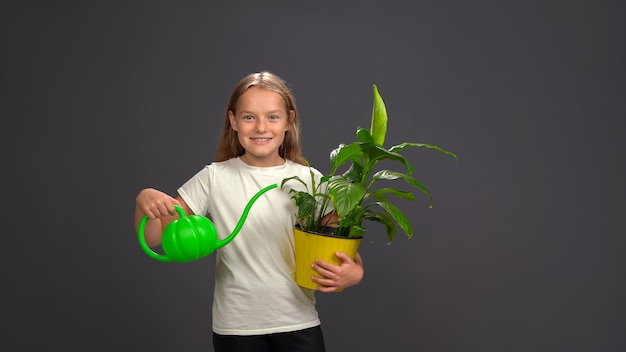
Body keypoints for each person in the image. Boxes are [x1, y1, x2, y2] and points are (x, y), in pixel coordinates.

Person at [134, 71, 364, 352]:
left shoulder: (311, 180)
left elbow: (338, 246)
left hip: (298, 321)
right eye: (249, 117)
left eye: (273, 116)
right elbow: (154, 236)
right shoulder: (214, 177)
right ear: (233, 121)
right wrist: (143, 200)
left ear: (289, 121)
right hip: (236, 328)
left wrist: (355, 272)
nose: (261, 127)